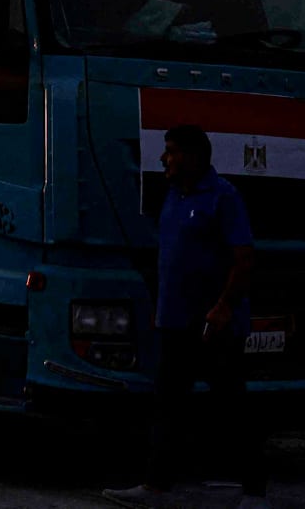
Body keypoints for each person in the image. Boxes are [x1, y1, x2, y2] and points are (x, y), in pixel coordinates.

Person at [105, 124, 266, 507]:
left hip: (213, 326)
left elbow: (243, 258)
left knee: (232, 406)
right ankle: (155, 487)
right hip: (175, 323)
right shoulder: (174, 195)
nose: (165, 158)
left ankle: (256, 493)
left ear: (194, 156)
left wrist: (223, 307)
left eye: (172, 151)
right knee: (167, 406)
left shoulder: (223, 197)